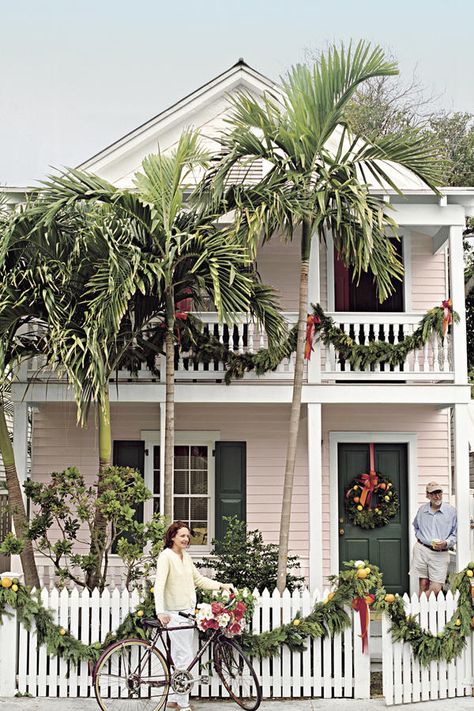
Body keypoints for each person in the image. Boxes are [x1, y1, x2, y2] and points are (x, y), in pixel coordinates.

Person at [154, 520, 233, 711]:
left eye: (187, 535)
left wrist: (221, 585)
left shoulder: (185, 556)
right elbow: (159, 585)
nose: (186, 538)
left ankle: (174, 699)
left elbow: (198, 580)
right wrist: (160, 612)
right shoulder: (166, 556)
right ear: (172, 537)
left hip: (188, 613)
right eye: (182, 535)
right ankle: (183, 704)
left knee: (181, 655)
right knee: (185, 657)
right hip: (174, 613)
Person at [411, 481, 457, 596]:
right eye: (433, 493)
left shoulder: (451, 511)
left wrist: (446, 543)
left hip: (440, 553)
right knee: (423, 584)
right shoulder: (422, 510)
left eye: (439, 492)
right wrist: (421, 539)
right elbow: (415, 526)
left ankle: (417, 607)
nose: (437, 496)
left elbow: (455, 534)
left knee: (436, 588)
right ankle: (422, 613)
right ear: (428, 495)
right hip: (422, 550)